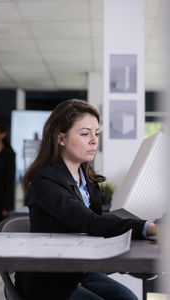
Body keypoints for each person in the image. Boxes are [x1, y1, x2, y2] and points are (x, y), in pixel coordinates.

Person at [15, 99, 156, 300]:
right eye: (84, 134)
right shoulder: (44, 179)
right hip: (48, 278)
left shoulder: (88, 180)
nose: (94, 141)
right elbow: (91, 222)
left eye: (96, 133)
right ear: (61, 138)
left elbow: (96, 226)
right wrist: (148, 227)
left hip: (80, 270)